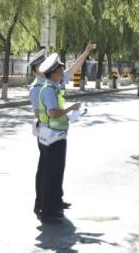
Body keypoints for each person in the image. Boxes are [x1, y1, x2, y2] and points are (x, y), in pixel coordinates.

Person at [35, 42, 96, 222]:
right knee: (50, 175)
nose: (63, 71)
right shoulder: (48, 90)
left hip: (56, 136)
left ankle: (54, 206)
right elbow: (53, 112)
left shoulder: (55, 85)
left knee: (55, 174)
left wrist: (86, 52)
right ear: (54, 72)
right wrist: (71, 108)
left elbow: (75, 67)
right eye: (61, 68)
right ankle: (47, 212)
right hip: (51, 138)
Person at [27, 48, 47, 218]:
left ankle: (50, 200)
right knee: (44, 168)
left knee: (50, 167)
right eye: (42, 64)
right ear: (35, 69)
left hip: (53, 130)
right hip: (45, 132)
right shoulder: (36, 88)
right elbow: (38, 114)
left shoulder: (48, 83)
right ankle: (39, 203)